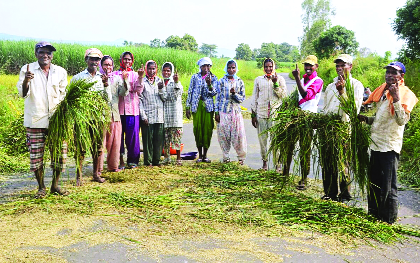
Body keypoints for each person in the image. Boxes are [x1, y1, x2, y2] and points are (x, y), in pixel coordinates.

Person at [359, 61, 418, 224]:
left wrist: (397, 99)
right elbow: (381, 118)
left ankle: (388, 220)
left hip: (390, 147)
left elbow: (401, 121)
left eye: (394, 72)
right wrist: (367, 119)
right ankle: (373, 215)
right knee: (374, 182)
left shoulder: (405, 94)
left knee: (389, 186)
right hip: (376, 143)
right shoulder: (383, 92)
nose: (390, 75)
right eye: (388, 72)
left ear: (401, 76)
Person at [17, 41, 68, 198]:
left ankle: (55, 185)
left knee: (60, 154)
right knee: (36, 155)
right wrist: (26, 80)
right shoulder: (28, 69)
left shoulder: (60, 72)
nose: (45, 55)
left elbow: (64, 95)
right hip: (36, 120)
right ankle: (41, 187)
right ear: (36, 54)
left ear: (52, 56)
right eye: (41, 52)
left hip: (56, 121)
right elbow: (23, 94)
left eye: (48, 52)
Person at [321, 54, 364, 201]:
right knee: (327, 161)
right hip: (328, 128)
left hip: (344, 129)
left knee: (342, 161)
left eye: (342, 65)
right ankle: (329, 193)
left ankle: (345, 194)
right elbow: (326, 108)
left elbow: (354, 110)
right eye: (337, 66)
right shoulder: (330, 86)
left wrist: (342, 92)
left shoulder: (356, 85)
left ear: (350, 67)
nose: (339, 68)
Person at [285, 55, 323, 190]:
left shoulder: (318, 81)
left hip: (308, 119)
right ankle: (285, 174)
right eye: (306, 65)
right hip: (297, 117)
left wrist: (296, 78)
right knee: (288, 146)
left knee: (304, 150)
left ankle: (304, 178)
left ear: (316, 67)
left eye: (310, 65)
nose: (307, 68)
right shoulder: (302, 79)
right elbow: (298, 98)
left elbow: (306, 95)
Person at [71, 48, 106, 185]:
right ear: (86, 60)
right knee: (80, 148)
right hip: (82, 118)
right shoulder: (78, 78)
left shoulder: (102, 78)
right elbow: (71, 99)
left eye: (97, 60)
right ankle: (79, 176)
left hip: (98, 118)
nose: (94, 62)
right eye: (92, 59)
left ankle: (96, 174)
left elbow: (106, 98)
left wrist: (106, 85)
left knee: (97, 147)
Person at [251, 58, 287, 170]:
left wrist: (275, 83)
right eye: (266, 66)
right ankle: (265, 163)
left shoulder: (280, 79)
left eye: (270, 66)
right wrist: (253, 115)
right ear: (263, 67)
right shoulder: (258, 80)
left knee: (275, 140)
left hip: (275, 114)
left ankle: (277, 165)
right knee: (262, 141)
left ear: (274, 66)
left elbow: (284, 96)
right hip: (261, 114)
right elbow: (254, 97)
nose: (268, 69)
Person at [186, 57, 219, 163]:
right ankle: (200, 155)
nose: (206, 68)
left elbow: (214, 93)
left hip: (208, 107)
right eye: (204, 66)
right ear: (200, 67)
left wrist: (209, 84)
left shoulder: (214, 78)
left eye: (208, 66)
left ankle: (205, 155)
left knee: (207, 130)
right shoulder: (195, 77)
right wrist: (188, 107)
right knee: (198, 130)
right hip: (196, 106)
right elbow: (190, 91)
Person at [99, 55, 129, 172]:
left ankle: (113, 166)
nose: (108, 67)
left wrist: (125, 81)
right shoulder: (97, 78)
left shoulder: (117, 79)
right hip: (102, 115)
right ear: (101, 66)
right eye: (106, 64)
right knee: (101, 144)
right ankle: (99, 168)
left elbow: (123, 93)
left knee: (115, 143)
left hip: (115, 115)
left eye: (110, 65)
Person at [115, 52, 144, 169]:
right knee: (119, 137)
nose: (127, 62)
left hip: (133, 110)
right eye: (125, 59)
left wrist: (141, 77)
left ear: (132, 61)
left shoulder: (135, 74)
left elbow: (139, 90)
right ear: (121, 60)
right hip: (119, 110)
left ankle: (132, 161)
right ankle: (120, 160)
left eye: (129, 59)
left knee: (133, 137)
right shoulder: (115, 74)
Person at [215, 59, 247, 164]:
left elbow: (242, 98)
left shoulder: (239, 81)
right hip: (223, 112)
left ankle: (241, 158)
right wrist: (216, 113)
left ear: (236, 69)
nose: (231, 70)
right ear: (226, 68)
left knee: (239, 135)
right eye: (229, 68)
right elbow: (218, 98)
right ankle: (226, 157)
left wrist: (234, 95)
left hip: (236, 112)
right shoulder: (221, 81)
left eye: (233, 67)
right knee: (223, 136)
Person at [139, 60, 165, 166]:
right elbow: (139, 99)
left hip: (159, 116)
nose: (151, 71)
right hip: (147, 115)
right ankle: (148, 161)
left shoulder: (160, 81)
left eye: (153, 68)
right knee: (147, 141)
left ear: (156, 69)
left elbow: (164, 98)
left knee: (158, 140)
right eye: (149, 68)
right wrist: (143, 116)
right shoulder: (142, 82)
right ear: (146, 69)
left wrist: (161, 89)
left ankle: (156, 161)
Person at [159, 62, 184, 165]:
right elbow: (163, 98)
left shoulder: (176, 83)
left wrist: (176, 82)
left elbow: (177, 95)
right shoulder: (160, 82)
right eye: (164, 70)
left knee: (176, 138)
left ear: (171, 72)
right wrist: (160, 89)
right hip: (165, 115)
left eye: (168, 71)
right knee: (166, 139)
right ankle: (167, 157)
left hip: (175, 115)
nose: (166, 72)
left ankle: (178, 158)